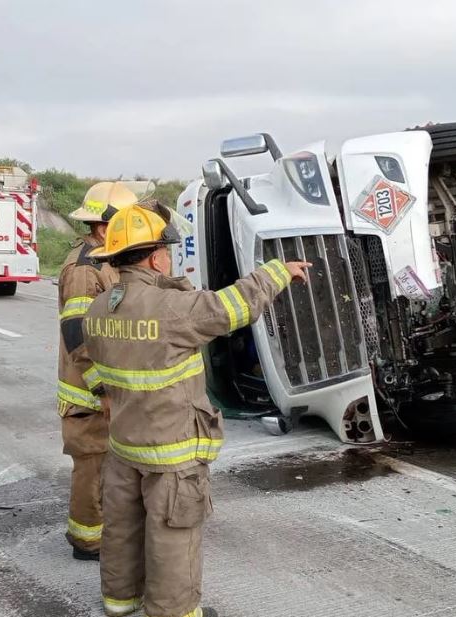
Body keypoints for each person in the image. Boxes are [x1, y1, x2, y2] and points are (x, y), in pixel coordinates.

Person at [83, 204, 310, 617]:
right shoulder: (171, 309)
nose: (169, 258)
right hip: (171, 451)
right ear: (155, 257)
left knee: (122, 528)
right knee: (173, 534)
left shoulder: (98, 310)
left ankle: (119, 602)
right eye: (166, 252)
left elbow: (101, 374)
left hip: (123, 445)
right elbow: (233, 307)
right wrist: (278, 272)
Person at [57, 181, 146, 560]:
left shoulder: (104, 258)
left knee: (106, 466)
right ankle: (87, 541)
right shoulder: (85, 268)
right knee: (91, 466)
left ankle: (100, 531)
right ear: (103, 225)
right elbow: (77, 334)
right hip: (88, 391)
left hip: (105, 386)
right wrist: (101, 389)